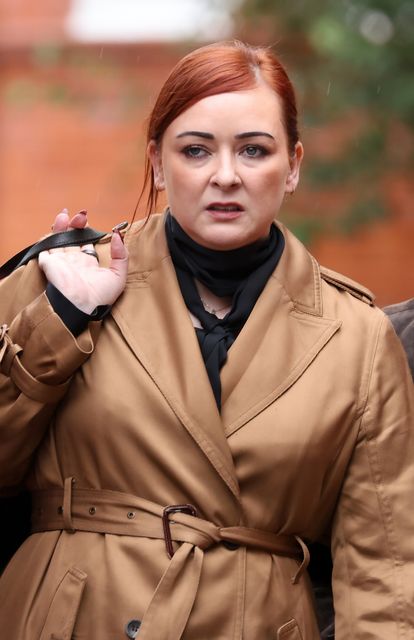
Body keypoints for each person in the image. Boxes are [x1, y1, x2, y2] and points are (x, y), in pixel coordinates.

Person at [0, 40, 413, 640]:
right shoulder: (61, 283)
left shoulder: (359, 337)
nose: (225, 175)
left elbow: (385, 574)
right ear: (159, 164)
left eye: (254, 149)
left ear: (293, 165)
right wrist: (60, 322)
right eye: (196, 150)